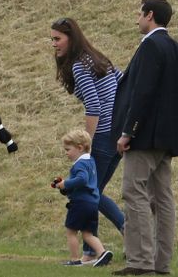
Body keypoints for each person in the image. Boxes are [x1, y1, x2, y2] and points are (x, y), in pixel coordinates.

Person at [111, 0, 178, 275]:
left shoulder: (150, 47)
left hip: (143, 137)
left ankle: (141, 261)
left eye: (140, 13)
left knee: (134, 193)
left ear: (150, 15)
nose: (137, 18)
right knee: (163, 199)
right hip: (166, 138)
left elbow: (141, 93)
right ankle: (161, 264)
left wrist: (127, 131)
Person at [51, 17, 125, 263]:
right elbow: (122, 80)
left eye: (57, 39)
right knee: (94, 192)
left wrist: (86, 144)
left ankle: (120, 238)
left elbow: (93, 105)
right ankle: (90, 251)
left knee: (90, 191)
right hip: (117, 134)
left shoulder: (80, 66)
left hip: (103, 136)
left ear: (71, 38)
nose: (54, 44)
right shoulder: (96, 58)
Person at [55, 129, 113, 267]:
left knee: (71, 231)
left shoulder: (80, 164)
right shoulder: (91, 161)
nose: (66, 153)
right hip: (92, 203)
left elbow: (82, 179)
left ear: (80, 148)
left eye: (68, 149)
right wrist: (65, 188)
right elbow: (85, 182)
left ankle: (75, 259)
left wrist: (66, 183)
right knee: (87, 233)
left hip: (80, 203)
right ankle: (102, 253)